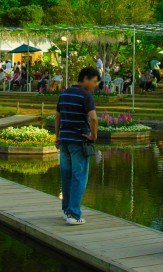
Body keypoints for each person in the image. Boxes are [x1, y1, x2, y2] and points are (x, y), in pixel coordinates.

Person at [55, 66, 100, 226]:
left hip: (64, 141)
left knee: (66, 177)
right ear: (86, 78)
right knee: (79, 177)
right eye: (94, 82)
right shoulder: (85, 95)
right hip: (79, 141)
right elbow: (93, 119)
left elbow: (57, 116)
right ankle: (74, 214)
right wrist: (93, 136)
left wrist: (57, 136)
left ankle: (67, 211)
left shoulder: (64, 93)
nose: (94, 85)